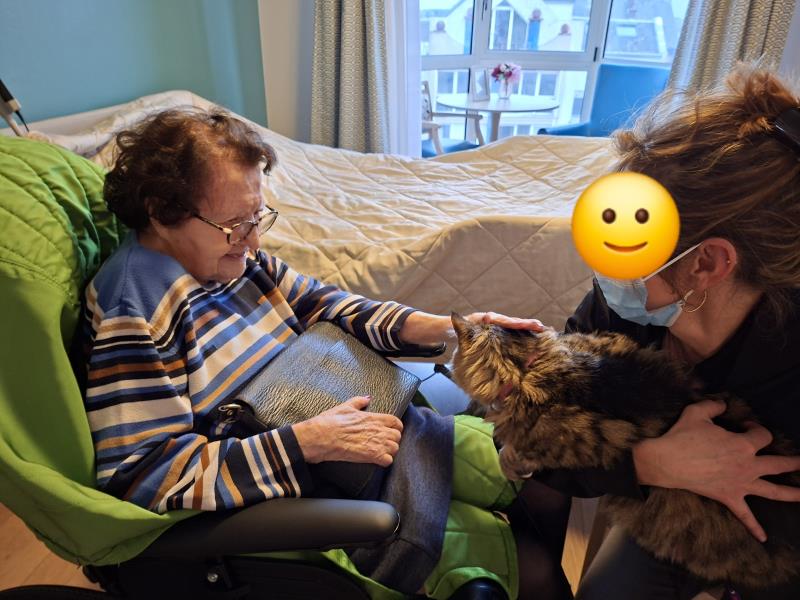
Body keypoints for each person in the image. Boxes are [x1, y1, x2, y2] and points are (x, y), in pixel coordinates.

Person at [80, 107, 546, 599]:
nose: (253, 240)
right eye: (234, 224)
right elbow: (142, 476)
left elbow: (330, 305)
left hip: (369, 432)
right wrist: (306, 443)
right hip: (304, 479)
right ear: (160, 211)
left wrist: (456, 328)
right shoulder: (135, 310)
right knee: (518, 565)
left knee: (538, 476)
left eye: (257, 217)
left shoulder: (236, 261)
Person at [526, 63, 800, 599]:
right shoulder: (621, 312)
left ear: (706, 263)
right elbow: (530, 432)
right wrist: (648, 464)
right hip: (679, 518)